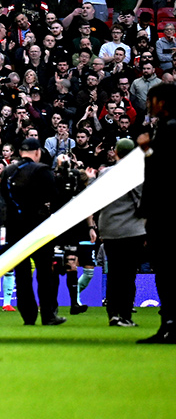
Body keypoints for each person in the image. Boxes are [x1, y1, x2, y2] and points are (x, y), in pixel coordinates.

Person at [0, 137, 65, 326]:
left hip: (15, 228)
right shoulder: (42, 170)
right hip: (38, 227)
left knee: (22, 274)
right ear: (37, 152)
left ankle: (28, 316)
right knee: (44, 273)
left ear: (20, 152)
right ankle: (48, 314)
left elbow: (4, 195)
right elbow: (55, 196)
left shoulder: (8, 171)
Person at [139, 82, 175, 344]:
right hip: (163, 210)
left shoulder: (170, 128)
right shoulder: (165, 127)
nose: (149, 106)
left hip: (166, 211)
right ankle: (168, 323)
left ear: (161, 102)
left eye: (151, 101)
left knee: (167, 269)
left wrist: (147, 150)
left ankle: (170, 324)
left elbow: (162, 169)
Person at [97, 138, 146, 329]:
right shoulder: (139, 174)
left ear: (116, 153)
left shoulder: (104, 174)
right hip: (132, 230)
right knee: (128, 274)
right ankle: (126, 315)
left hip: (110, 230)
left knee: (114, 273)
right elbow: (144, 202)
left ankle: (113, 314)